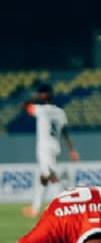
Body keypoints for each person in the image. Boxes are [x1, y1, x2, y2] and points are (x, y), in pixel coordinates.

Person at [21, 85, 78, 218]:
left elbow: (24, 106)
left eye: (41, 93)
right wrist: (72, 150)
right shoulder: (60, 112)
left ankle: (66, 206)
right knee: (44, 177)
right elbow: (65, 132)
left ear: (43, 95)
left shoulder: (40, 110)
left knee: (51, 176)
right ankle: (35, 208)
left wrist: (35, 97)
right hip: (56, 147)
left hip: (45, 147)